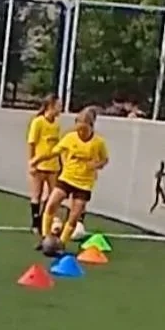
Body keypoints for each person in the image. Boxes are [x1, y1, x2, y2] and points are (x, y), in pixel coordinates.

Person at [33, 107, 108, 251]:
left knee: (74, 216)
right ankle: (45, 238)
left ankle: (61, 244)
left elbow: (105, 160)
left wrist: (96, 165)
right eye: (78, 129)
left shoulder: (98, 143)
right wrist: (37, 160)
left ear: (91, 127)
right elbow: (54, 152)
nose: (81, 132)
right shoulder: (70, 138)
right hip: (67, 178)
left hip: (84, 183)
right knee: (51, 204)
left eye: (84, 130)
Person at [26, 94, 61, 234]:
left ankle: (44, 219)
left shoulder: (56, 124)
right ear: (50, 106)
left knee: (53, 195)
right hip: (40, 165)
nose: (60, 108)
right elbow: (32, 143)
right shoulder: (38, 122)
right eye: (58, 105)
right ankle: (35, 223)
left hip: (53, 165)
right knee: (37, 194)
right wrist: (31, 163)